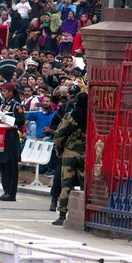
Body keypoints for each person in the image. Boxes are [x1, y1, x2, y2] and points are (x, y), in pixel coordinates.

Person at [52, 92, 87, 226]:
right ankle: (85, 216)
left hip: (69, 153)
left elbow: (58, 134)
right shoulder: (90, 117)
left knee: (66, 185)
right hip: (85, 155)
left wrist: (58, 149)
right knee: (85, 186)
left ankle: (62, 215)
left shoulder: (70, 116)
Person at [0, 82, 26, 201]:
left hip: (10, 136)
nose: (3, 93)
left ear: (10, 92)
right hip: (1, 135)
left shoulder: (16, 105)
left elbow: (21, 121)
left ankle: (11, 192)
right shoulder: (4, 104)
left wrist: (6, 118)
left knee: (10, 165)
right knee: (3, 164)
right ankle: (5, 190)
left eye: (4, 91)